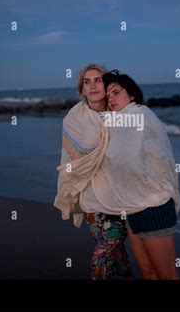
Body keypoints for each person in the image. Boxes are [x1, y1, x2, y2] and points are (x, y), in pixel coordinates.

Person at [96, 69, 180, 279]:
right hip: (133, 206)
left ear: (132, 94)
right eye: (108, 96)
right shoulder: (118, 123)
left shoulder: (141, 115)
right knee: (147, 271)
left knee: (167, 274)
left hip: (154, 205)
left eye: (116, 92)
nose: (111, 99)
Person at [54, 64, 133, 279]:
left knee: (100, 259)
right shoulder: (73, 119)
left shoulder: (120, 114)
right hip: (90, 201)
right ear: (82, 90)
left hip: (118, 201)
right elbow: (74, 162)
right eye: (86, 82)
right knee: (117, 257)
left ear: (105, 84)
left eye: (97, 80)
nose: (92, 85)